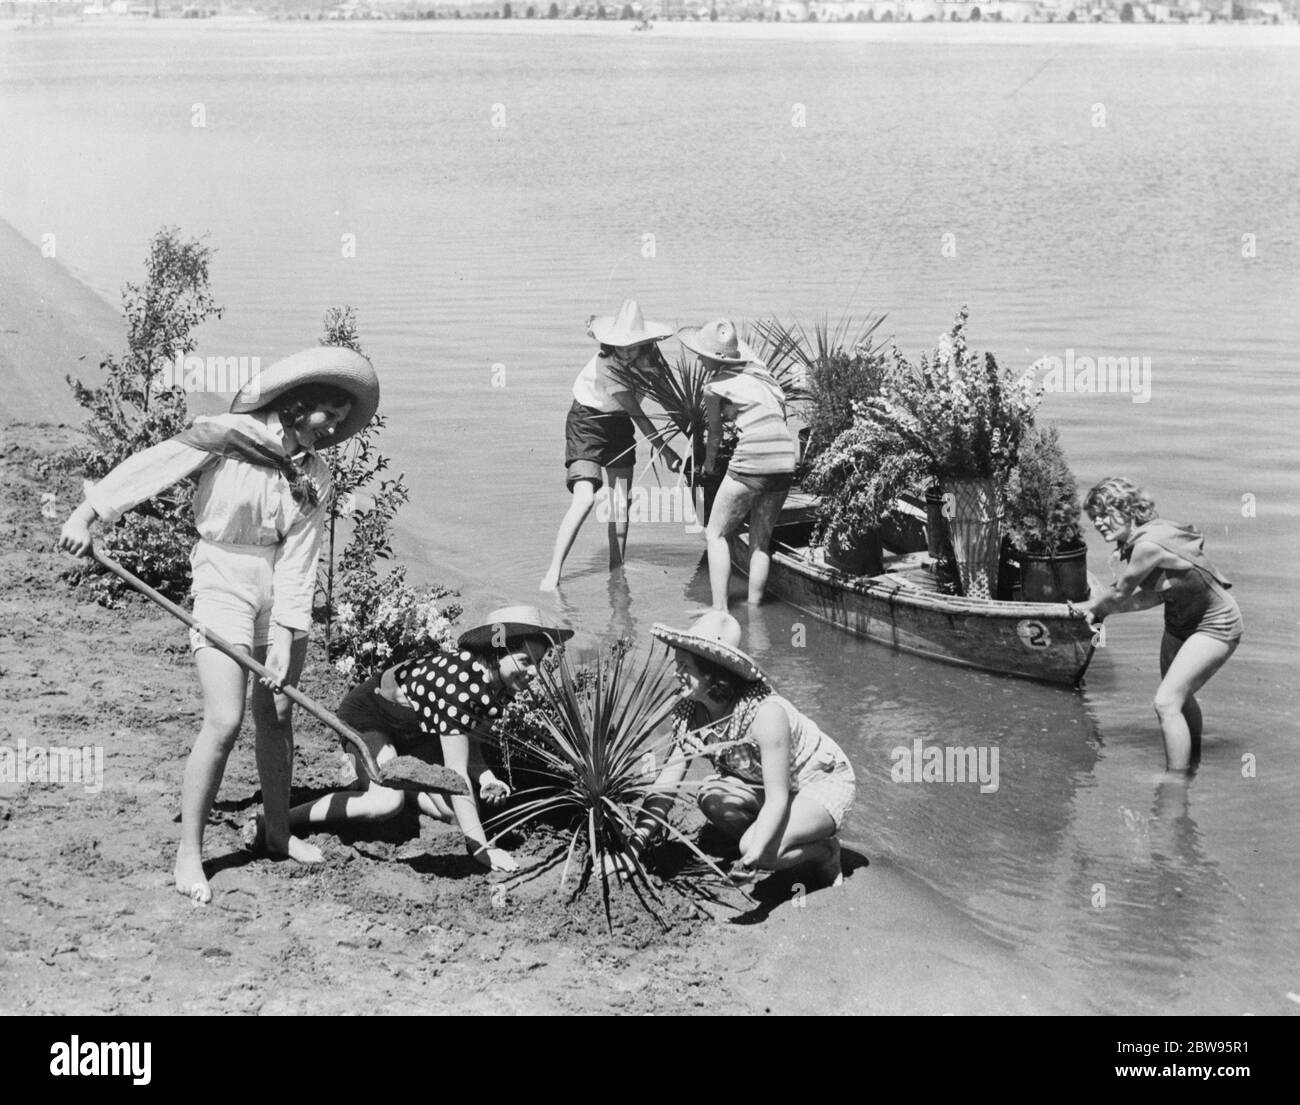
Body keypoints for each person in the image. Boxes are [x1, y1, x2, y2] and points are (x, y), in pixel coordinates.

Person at [59, 346, 379, 904]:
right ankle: (190, 853)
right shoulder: (224, 436)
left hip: (277, 584)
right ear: (300, 405)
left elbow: (301, 563)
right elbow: (152, 468)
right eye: (330, 416)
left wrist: (284, 634)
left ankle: (278, 833)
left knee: (277, 714)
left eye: (342, 422)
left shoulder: (315, 475)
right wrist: (89, 515)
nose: (333, 432)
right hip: (221, 576)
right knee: (225, 718)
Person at [288, 604, 572, 872]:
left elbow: (470, 745)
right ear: (497, 653)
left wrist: (487, 779)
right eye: (524, 661)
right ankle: (282, 820)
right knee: (385, 803)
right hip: (368, 718)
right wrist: (481, 849)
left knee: (455, 817)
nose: (534, 672)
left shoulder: (497, 683)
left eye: (539, 662)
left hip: (412, 732)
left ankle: (402, 774)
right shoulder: (460, 686)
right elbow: (456, 772)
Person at [616, 612, 854, 887]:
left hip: (820, 780)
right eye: (676, 664)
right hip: (775, 784)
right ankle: (777, 844)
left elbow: (777, 797)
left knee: (756, 848)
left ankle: (824, 851)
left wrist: (752, 856)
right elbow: (667, 783)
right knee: (711, 796)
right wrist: (634, 847)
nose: (675, 673)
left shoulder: (764, 714)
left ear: (712, 672)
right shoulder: (689, 711)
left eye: (684, 666)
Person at [1076, 477, 1243, 773]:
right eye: (1094, 518)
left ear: (1127, 509)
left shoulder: (1148, 545)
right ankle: (1191, 764)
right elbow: (1150, 598)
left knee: (1166, 703)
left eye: (1105, 513)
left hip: (1217, 624)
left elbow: (1119, 592)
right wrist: (1103, 613)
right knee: (1179, 697)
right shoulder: (1143, 539)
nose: (1099, 523)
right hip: (1180, 624)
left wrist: (1094, 609)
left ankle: (1175, 785)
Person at [540, 299, 682, 591]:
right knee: (586, 498)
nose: (627, 353)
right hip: (587, 422)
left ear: (645, 342)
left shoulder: (652, 360)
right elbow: (639, 416)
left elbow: (670, 400)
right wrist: (666, 451)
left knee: (620, 503)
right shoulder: (607, 366)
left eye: (633, 346)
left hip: (617, 424)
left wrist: (690, 427)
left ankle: (616, 571)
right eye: (621, 346)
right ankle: (553, 572)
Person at [678, 319, 796, 611]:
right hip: (785, 458)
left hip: (753, 459)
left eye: (701, 353)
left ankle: (719, 610)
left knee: (715, 533)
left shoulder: (713, 387)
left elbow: (715, 434)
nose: (698, 358)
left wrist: (707, 466)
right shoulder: (760, 375)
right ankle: (755, 610)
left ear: (714, 358)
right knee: (760, 542)